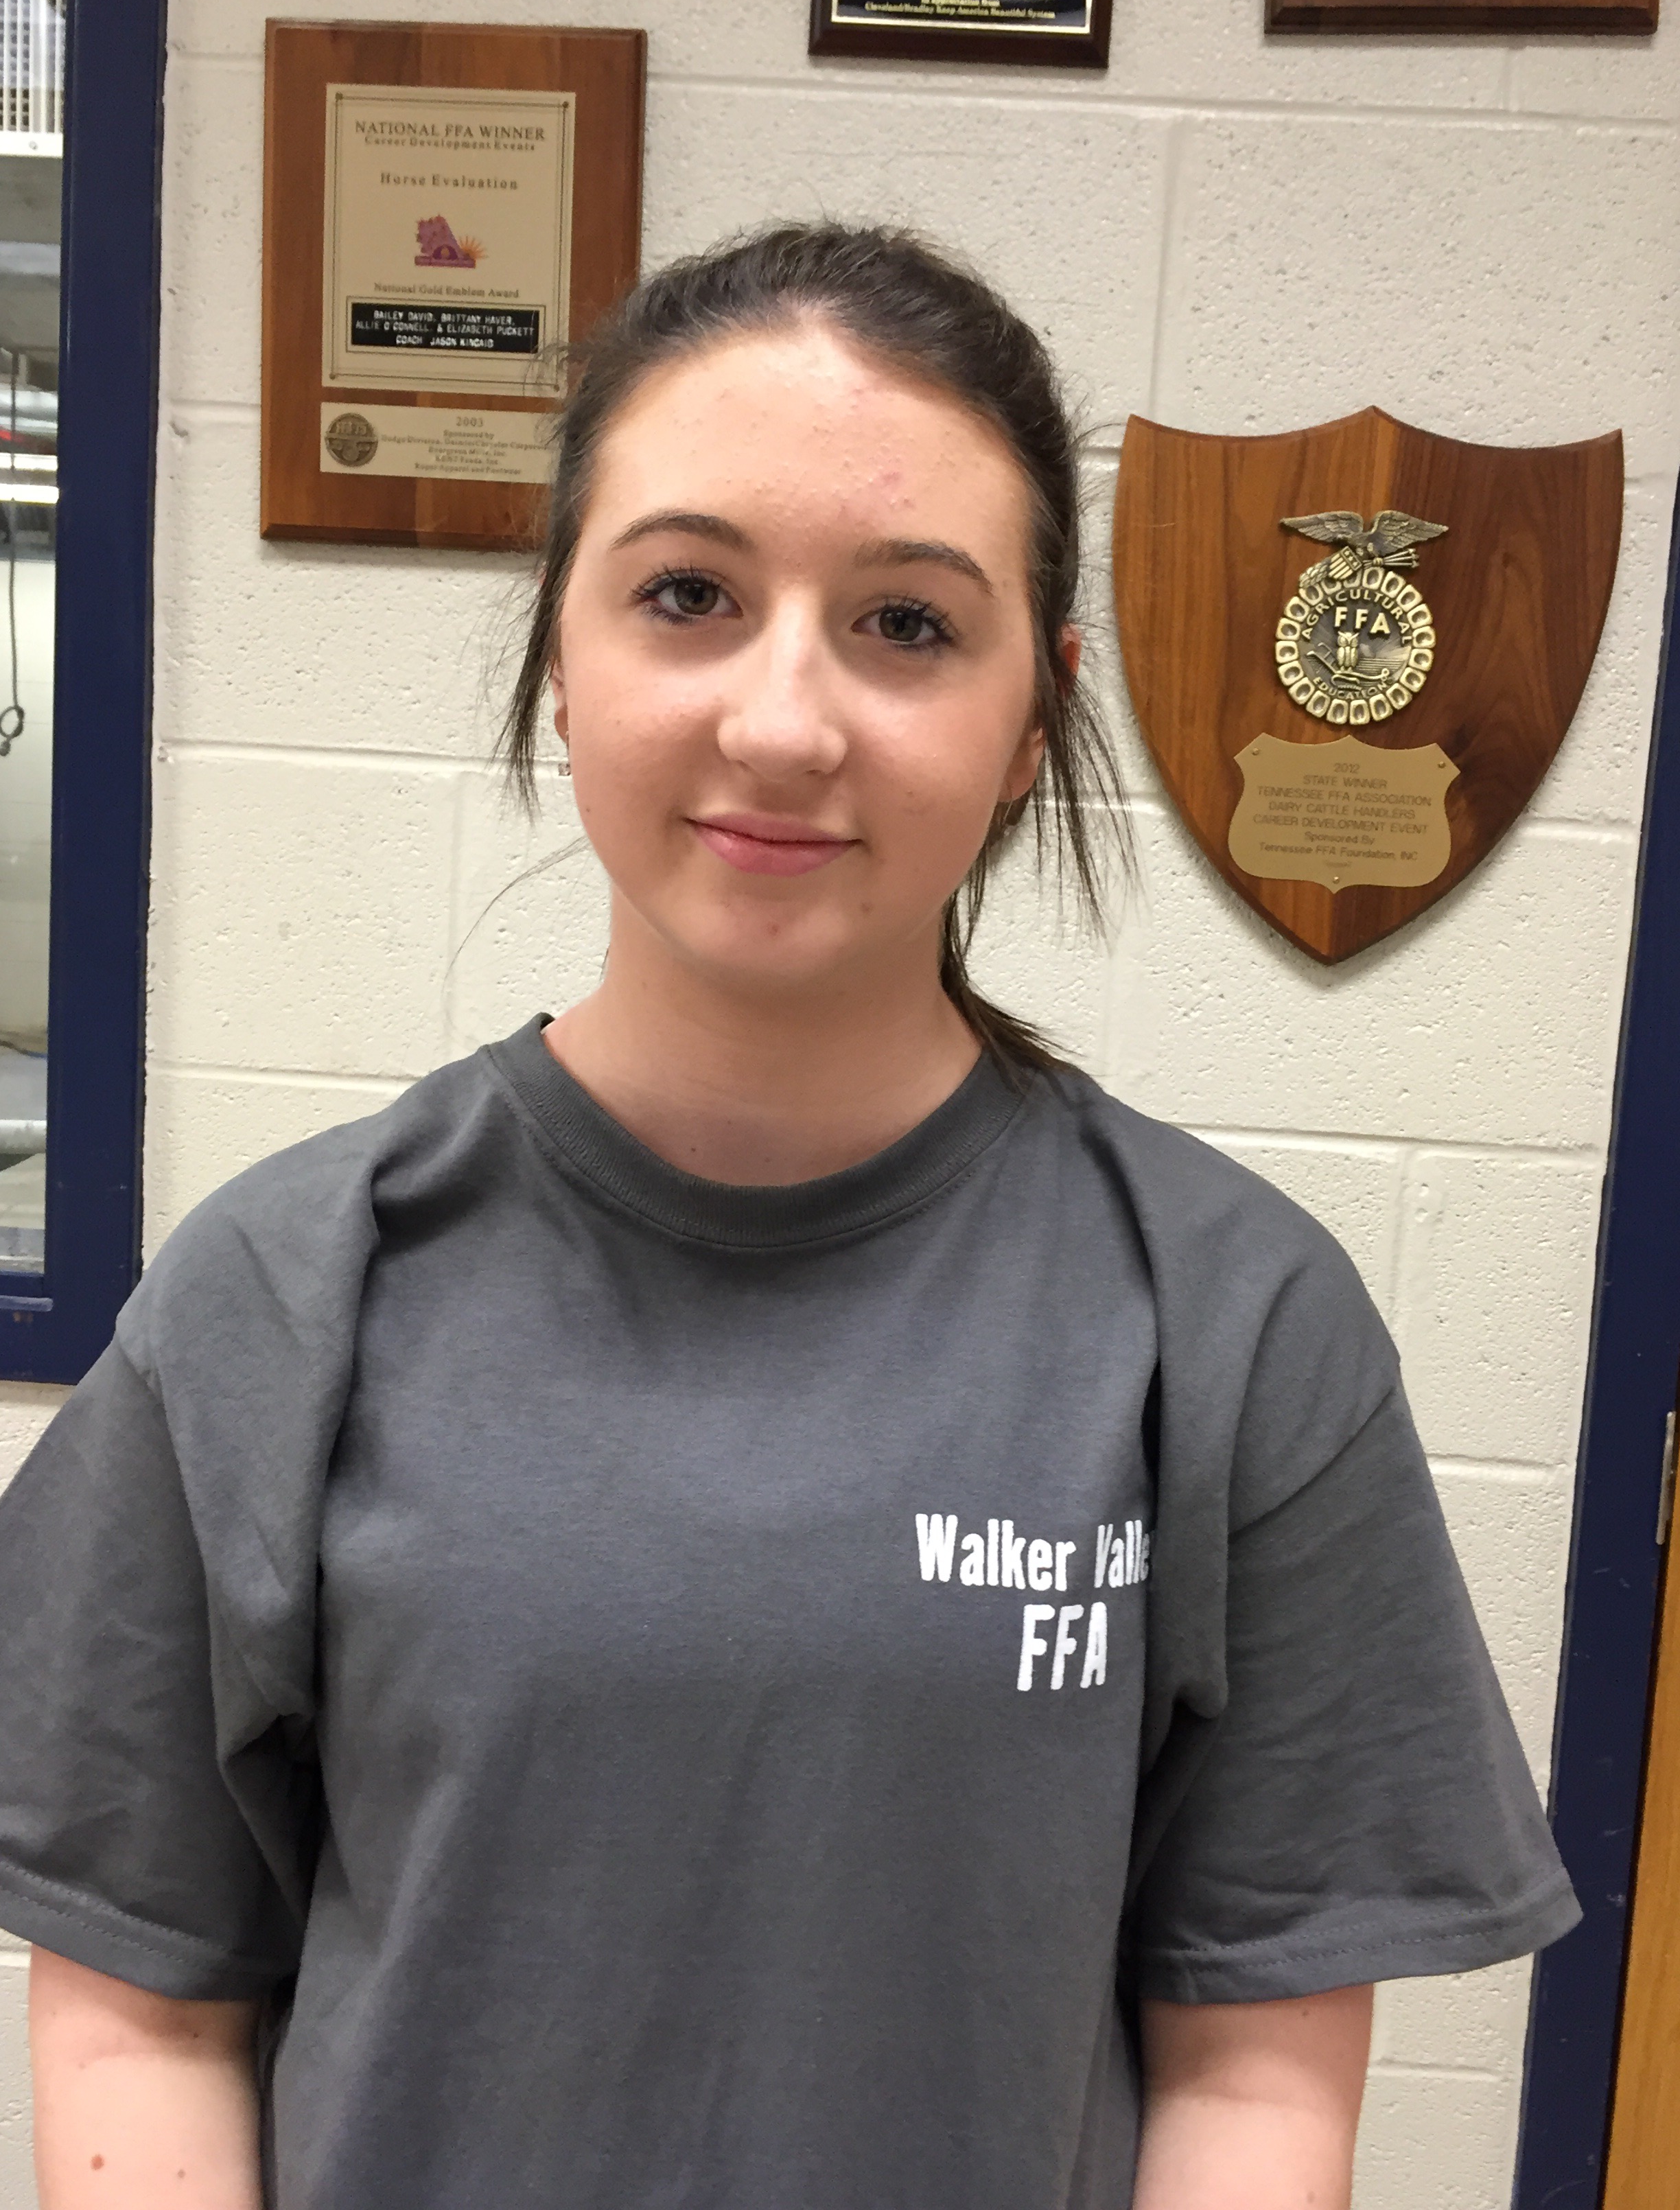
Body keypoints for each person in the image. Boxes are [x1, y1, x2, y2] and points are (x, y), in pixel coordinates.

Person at [0, 223, 1575, 2210]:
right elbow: (142, 2015)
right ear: (561, 654)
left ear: (1034, 722)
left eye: (907, 624)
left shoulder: (1235, 1326)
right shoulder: (275, 1298)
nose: (783, 721)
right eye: (688, 596)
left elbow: (1253, 2087)